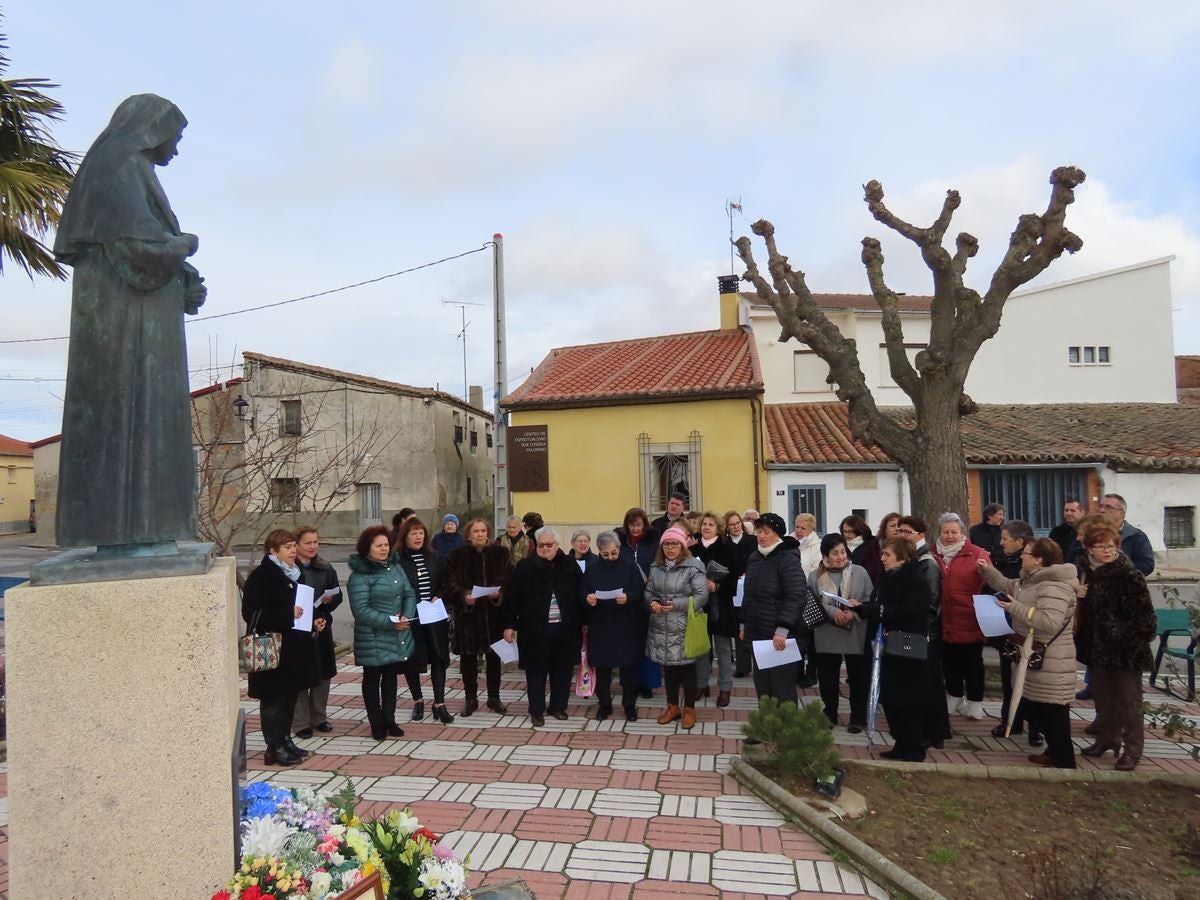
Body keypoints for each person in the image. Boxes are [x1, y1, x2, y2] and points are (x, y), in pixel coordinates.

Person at [54, 94, 206, 549]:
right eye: (174, 138)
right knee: (128, 418)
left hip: (142, 319)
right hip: (124, 326)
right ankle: (127, 534)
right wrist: (185, 246)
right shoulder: (117, 165)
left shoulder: (132, 169)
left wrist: (184, 279)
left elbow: (145, 242)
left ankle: (150, 529)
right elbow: (139, 250)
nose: (175, 150)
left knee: (150, 420)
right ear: (151, 129)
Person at [978, 537, 1079, 768]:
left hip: (1053, 661)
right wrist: (987, 570)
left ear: (1039, 559)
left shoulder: (1053, 585)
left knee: (1054, 711)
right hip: (1037, 658)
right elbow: (1006, 585)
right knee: (1038, 707)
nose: (1021, 555)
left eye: (1026, 552)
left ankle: (1064, 760)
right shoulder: (1030, 581)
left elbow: (1050, 621)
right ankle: (1054, 753)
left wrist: (1014, 608)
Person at [1076, 524, 1157, 771]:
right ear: (1089, 549)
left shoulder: (1129, 575)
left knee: (1129, 703)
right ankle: (1106, 739)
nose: (1107, 551)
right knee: (1104, 699)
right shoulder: (1087, 572)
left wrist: (1117, 633)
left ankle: (1133, 749)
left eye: (1111, 546)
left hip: (1126, 652)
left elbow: (1146, 621)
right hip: (1097, 649)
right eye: (1101, 546)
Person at [242, 529, 320, 766]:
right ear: (273, 551)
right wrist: (287, 614)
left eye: (293, 546)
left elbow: (305, 604)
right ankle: (273, 747)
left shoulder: (297, 573)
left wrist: (317, 618)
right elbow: (251, 613)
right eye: (287, 547)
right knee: (273, 699)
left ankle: (285, 740)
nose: (293, 550)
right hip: (271, 648)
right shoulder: (261, 576)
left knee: (289, 697)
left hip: (294, 648)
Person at [856, 538, 930, 762]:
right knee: (889, 698)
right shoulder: (887, 576)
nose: (882, 558)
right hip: (884, 645)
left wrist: (874, 611)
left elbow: (910, 610)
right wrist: (865, 608)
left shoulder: (915, 578)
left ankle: (914, 747)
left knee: (906, 698)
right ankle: (900, 742)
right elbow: (880, 603)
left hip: (905, 646)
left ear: (903, 556)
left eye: (887, 554)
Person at [741, 513, 826, 708]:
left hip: (781, 635)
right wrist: (743, 622)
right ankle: (766, 730)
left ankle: (786, 736)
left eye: (766, 532)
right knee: (763, 686)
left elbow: (796, 595)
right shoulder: (755, 557)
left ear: (777, 534)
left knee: (782, 688)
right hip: (758, 631)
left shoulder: (787, 557)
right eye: (759, 531)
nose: (761, 536)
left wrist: (782, 629)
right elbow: (749, 594)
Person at [504, 527, 582, 725]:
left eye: (550, 544)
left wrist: (585, 622)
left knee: (562, 671)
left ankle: (558, 706)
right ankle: (536, 710)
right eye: (541, 545)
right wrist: (509, 625)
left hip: (565, 629)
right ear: (536, 546)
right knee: (536, 672)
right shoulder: (525, 567)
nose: (545, 548)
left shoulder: (569, 565)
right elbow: (513, 598)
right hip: (534, 630)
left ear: (557, 545)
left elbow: (580, 595)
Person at [348, 524, 417, 741]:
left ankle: (390, 719)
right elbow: (361, 610)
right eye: (379, 546)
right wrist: (390, 622)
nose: (384, 549)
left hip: (396, 632)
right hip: (373, 636)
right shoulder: (360, 575)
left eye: (386, 545)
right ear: (367, 548)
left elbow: (409, 593)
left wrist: (406, 615)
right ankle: (376, 722)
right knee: (372, 678)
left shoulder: (394, 567)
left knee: (390, 677)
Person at [440, 517, 513, 716]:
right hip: (468, 618)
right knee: (468, 661)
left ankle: (494, 697)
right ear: (469, 536)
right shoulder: (456, 556)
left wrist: (499, 593)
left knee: (494, 660)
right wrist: (463, 596)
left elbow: (509, 580)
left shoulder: (500, 554)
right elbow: (449, 584)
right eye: (476, 531)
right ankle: (470, 699)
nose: (480, 534)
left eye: (483, 531)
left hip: (493, 615)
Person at [645, 526, 709, 729]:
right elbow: (648, 590)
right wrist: (653, 602)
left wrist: (677, 605)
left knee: (687, 668)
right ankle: (672, 706)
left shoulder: (694, 567)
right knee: (669, 669)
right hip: (661, 624)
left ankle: (689, 709)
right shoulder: (655, 567)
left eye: (674, 544)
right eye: (666, 544)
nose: (670, 548)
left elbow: (702, 596)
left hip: (684, 625)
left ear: (682, 545)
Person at [808, 533, 872, 732]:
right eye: (835, 553)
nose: (840, 557)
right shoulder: (814, 575)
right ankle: (830, 713)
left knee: (858, 676)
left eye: (843, 551)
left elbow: (869, 598)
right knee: (827, 676)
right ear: (825, 555)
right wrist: (833, 611)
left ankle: (858, 717)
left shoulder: (860, 572)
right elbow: (811, 601)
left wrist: (854, 612)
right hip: (827, 631)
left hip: (855, 631)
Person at [896, 516, 951, 748]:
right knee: (918, 682)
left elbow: (930, 602)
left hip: (924, 633)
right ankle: (927, 729)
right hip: (915, 631)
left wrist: (916, 629)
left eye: (907, 532)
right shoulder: (914, 559)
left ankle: (934, 732)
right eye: (899, 531)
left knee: (929, 682)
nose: (901, 535)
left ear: (920, 535)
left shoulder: (927, 563)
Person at [582, 531, 648, 721]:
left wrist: (628, 597)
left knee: (628, 669)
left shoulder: (630, 567)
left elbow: (640, 591)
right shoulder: (592, 569)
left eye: (614, 553)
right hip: (601, 624)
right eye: (605, 554)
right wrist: (588, 598)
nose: (610, 557)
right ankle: (604, 704)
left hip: (626, 624)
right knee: (602, 668)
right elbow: (582, 591)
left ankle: (629, 705)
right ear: (599, 551)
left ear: (619, 549)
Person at [986, 519, 1041, 745]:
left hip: (1030, 633)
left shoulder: (1035, 569)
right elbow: (998, 586)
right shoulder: (999, 560)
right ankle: (1010, 720)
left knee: (1032, 682)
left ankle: (1036, 729)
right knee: (1009, 678)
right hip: (1004, 629)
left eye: (1005, 539)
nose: (1001, 543)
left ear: (1020, 542)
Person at [395, 518, 454, 725]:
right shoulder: (398, 560)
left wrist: (439, 595)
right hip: (411, 617)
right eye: (413, 533)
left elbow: (445, 582)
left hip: (433, 615)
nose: (418, 537)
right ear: (405, 537)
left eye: (421, 532)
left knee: (439, 657)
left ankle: (439, 703)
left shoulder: (435, 557)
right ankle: (418, 700)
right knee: (412, 660)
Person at [934, 512, 991, 720]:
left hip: (969, 617)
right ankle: (955, 694)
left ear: (962, 533)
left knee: (973, 663)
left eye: (954, 532)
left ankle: (975, 702)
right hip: (944, 618)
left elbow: (990, 581)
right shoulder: (933, 554)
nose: (950, 536)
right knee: (949, 661)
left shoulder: (977, 554)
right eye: (946, 532)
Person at [293, 526, 341, 739]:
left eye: (316, 542)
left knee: (323, 674)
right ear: (296, 545)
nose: (313, 547)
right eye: (308, 543)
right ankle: (300, 721)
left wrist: (331, 601)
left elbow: (337, 593)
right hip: (299, 629)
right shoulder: (291, 569)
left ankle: (319, 717)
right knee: (300, 675)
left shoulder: (325, 568)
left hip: (322, 626)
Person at [692, 512, 739, 706]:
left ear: (718, 528)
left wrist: (716, 586)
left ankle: (725, 688)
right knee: (701, 648)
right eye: (704, 524)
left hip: (721, 605)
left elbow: (734, 583)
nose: (706, 527)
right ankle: (701, 684)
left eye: (711, 524)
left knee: (723, 649)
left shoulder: (729, 550)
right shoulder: (692, 549)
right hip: (699, 605)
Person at [617, 506, 663, 698]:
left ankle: (647, 684)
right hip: (627, 597)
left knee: (648, 642)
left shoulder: (653, 542)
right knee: (628, 643)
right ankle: (630, 683)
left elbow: (659, 564)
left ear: (644, 524)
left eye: (638, 524)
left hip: (648, 597)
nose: (635, 529)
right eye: (631, 525)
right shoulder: (620, 542)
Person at [724, 510, 756, 677]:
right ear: (727, 527)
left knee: (751, 626)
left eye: (737, 523)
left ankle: (757, 663)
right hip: (733, 589)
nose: (735, 527)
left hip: (750, 588)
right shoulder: (725, 544)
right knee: (737, 627)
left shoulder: (752, 541)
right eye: (731, 524)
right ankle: (742, 667)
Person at [1098, 493, 1155, 576]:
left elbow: (1147, 565)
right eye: (1101, 506)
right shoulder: (1090, 533)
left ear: (1122, 513)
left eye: (1108, 507)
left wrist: (1117, 569)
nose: (1102, 510)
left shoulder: (1136, 536)